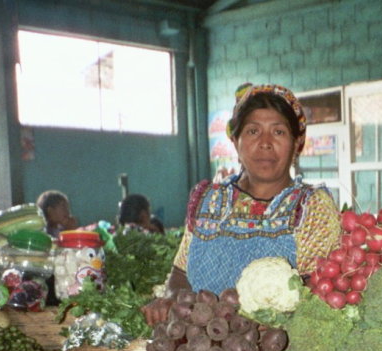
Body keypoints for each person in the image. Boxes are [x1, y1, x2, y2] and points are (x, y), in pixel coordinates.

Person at [142, 82, 341, 326]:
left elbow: (317, 290)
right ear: (236, 142)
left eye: (278, 132)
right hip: (194, 347)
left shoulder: (312, 208)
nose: (265, 143)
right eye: (253, 131)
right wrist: (170, 300)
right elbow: (180, 274)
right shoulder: (208, 200)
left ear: (296, 144)